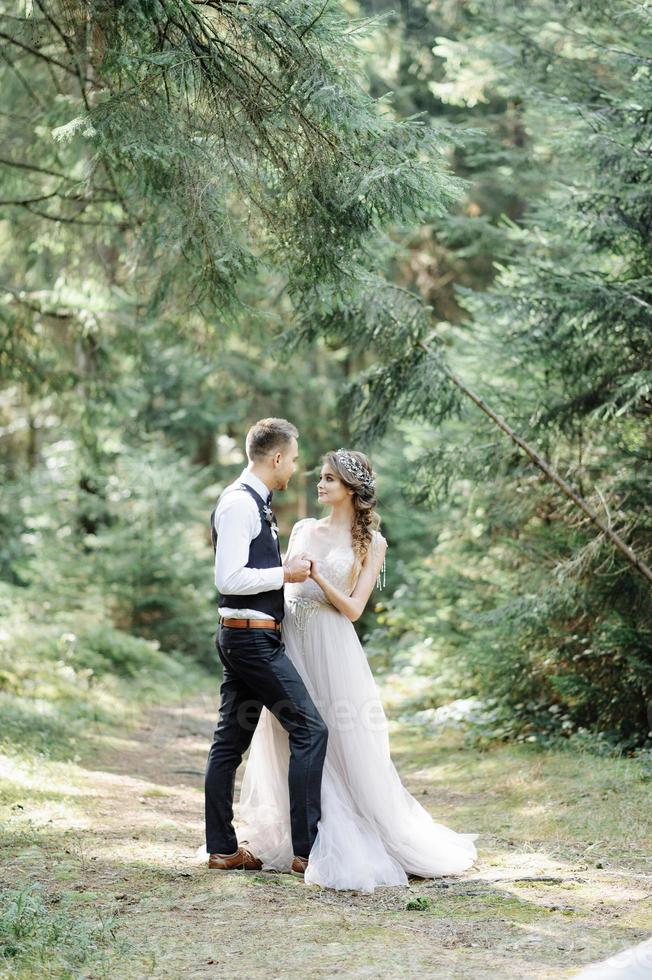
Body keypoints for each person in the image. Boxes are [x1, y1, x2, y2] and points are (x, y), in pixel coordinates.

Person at [235, 448, 480, 891]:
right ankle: (297, 837)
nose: (320, 484)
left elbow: (352, 609)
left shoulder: (372, 543)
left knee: (337, 733)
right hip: (292, 639)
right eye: (320, 477)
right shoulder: (304, 529)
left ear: (350, 489)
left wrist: (321, 579)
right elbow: (282, 584)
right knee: (288, 734)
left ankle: (336, 831)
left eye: (329, 479)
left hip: (332, 645)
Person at [200, 418, 328, 877]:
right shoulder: (239, 504)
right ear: (276, 458)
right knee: (311, 730)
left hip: (248, 636)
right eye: (293, 459)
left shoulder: (257, 502)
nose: (294, 468)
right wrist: (285, 574)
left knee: (229, 742)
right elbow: (228, 578)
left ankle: (222, 848)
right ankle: (308, 852)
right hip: (250, 639)